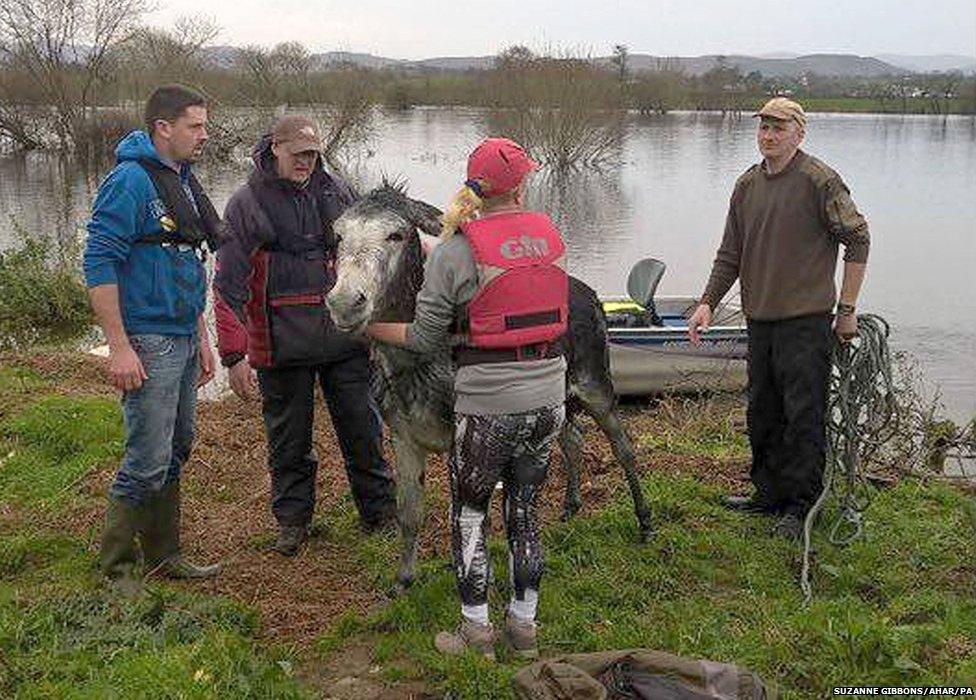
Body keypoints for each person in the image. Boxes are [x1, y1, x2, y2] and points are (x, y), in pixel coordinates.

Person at [366, 137, 568, 660]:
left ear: (473, 189)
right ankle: (524, 630)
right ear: (521, 185)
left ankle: (475, 633)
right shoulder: (550, 237)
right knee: (524, 510)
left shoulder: (456, 251)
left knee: (471, 514)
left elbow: (424, 339)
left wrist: (373, 326)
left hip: (488, 404)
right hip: (549, 395)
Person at [687, 97, 871, 539]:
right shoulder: (747, 185)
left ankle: (801, 505)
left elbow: (859, 239)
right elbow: (730, 253)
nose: (768, 136)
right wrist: (707, 301)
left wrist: (846, 310)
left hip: (806, 321)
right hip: (760, 318)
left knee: (802, 414)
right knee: (761, 411)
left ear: (799, 133)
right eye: (763, 128)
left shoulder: (819, 181)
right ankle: (767, 494)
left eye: (778, 128)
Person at [213, 115, 396, 556]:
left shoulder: (339, 192)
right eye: (298, 155)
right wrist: (234, 356)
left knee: (363, 431)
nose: (306, 163)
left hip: (345, 338)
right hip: (279, 345)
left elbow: (369, 259)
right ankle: (293, 522)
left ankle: (381, 515)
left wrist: (380, 326)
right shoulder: (245, 204)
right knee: (288, 441)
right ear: (275, 148)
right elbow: (228, 285)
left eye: (312, 155)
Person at [84, 84, 221, 583]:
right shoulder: (131, 182)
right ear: (163, 128)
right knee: (146, 457)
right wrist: (119, 348)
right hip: (147, 340)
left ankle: (166, 556)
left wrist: (202, 336)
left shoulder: (179, 178)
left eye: (205, 125)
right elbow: (98, 261)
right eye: (195, 126)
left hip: (182, 337)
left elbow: (188, 258)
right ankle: (117, 570)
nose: (204, 135)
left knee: (177, 446)